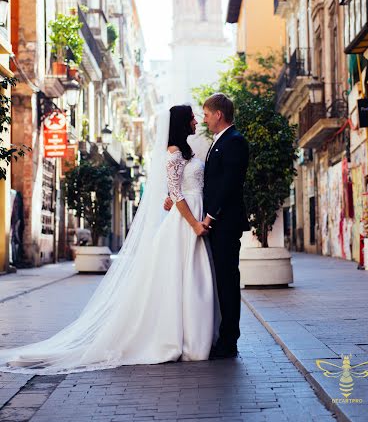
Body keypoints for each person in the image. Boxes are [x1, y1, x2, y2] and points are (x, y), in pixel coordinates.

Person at [0, 105, 218, 374]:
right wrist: (195, 223)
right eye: (192, 118)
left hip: (189, 217)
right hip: (186, 223)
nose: (196, 121)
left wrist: (177, 201)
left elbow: (176, 192)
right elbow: (177, 194)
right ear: (182, 123)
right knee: (181, 278)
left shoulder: (185, 153)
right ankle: (175, 338)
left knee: (191, 279)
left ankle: (194, 336)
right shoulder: (172, 156)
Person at [165, 93, 249, 359]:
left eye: (205, 114)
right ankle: (216, 335)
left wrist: (209, 217)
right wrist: (173, 196)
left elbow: (228, 185)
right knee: (215, 280)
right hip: (208, 222)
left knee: (226, 280)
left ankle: (228, 340)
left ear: (218, 115)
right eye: (197, 116)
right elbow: (202, 183)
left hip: (222, 222)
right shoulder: (218, 142)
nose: (203, 120)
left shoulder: (235, 142)